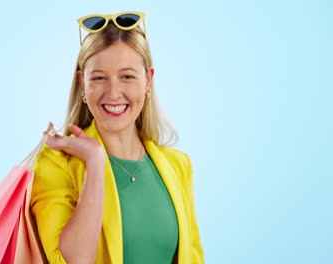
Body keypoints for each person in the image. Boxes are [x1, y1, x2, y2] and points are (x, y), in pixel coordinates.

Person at [30, 11, 204, 264]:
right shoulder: (56, 164)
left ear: (148, 81)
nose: (113, 93)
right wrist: (95, 160)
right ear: (82, 83)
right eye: (99, 78)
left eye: (127, 77)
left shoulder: (179, 166)